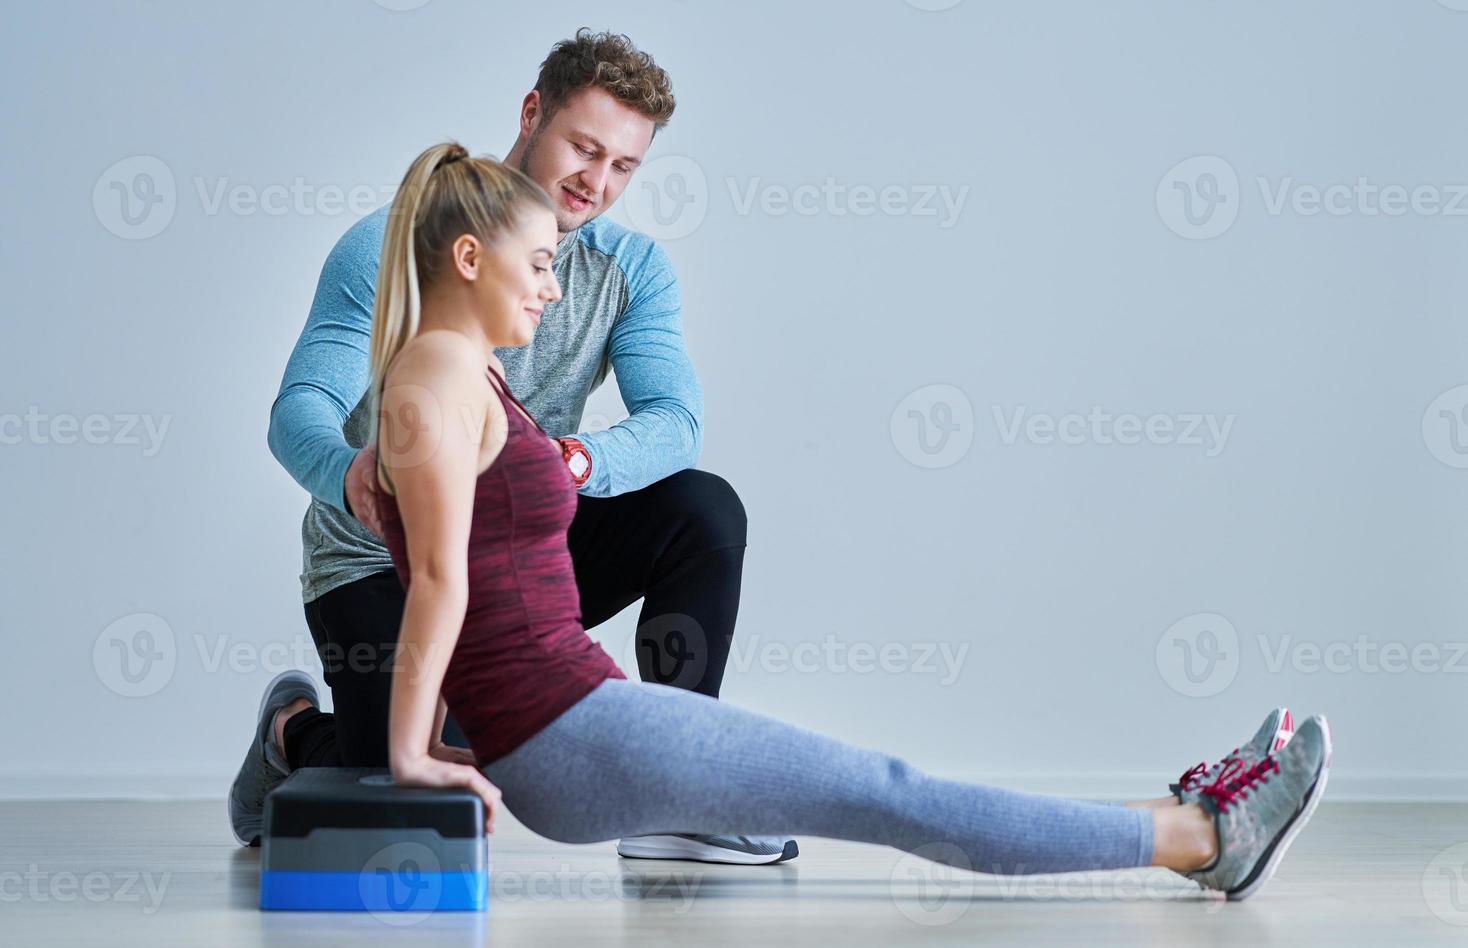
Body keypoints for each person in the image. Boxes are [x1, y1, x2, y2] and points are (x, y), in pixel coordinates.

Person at [361, 141, 1334, 900]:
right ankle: (1202, 835)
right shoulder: (441, 370)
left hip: (564, 722)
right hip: (567, 730)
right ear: (467, 255)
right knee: (888, 789)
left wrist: (376, 474)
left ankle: (1190, 824)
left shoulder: (453, 372)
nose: (551, 282)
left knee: (882, 788)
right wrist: (413, 749)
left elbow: (451, 538)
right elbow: (441, 581)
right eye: (536, 261)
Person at [230, 30, 795, 865]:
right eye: (585, 147)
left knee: (702, 508)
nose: (596, 183)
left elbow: (675, 420)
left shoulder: (628, 269)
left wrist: (570, 463)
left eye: (624, 167)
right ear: (532, 113)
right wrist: (350, 475)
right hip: (384, 558)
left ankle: (679, 793)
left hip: (516, 548)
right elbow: (300, 409)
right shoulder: (396, 245)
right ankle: (293, 736)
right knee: (421, 783)